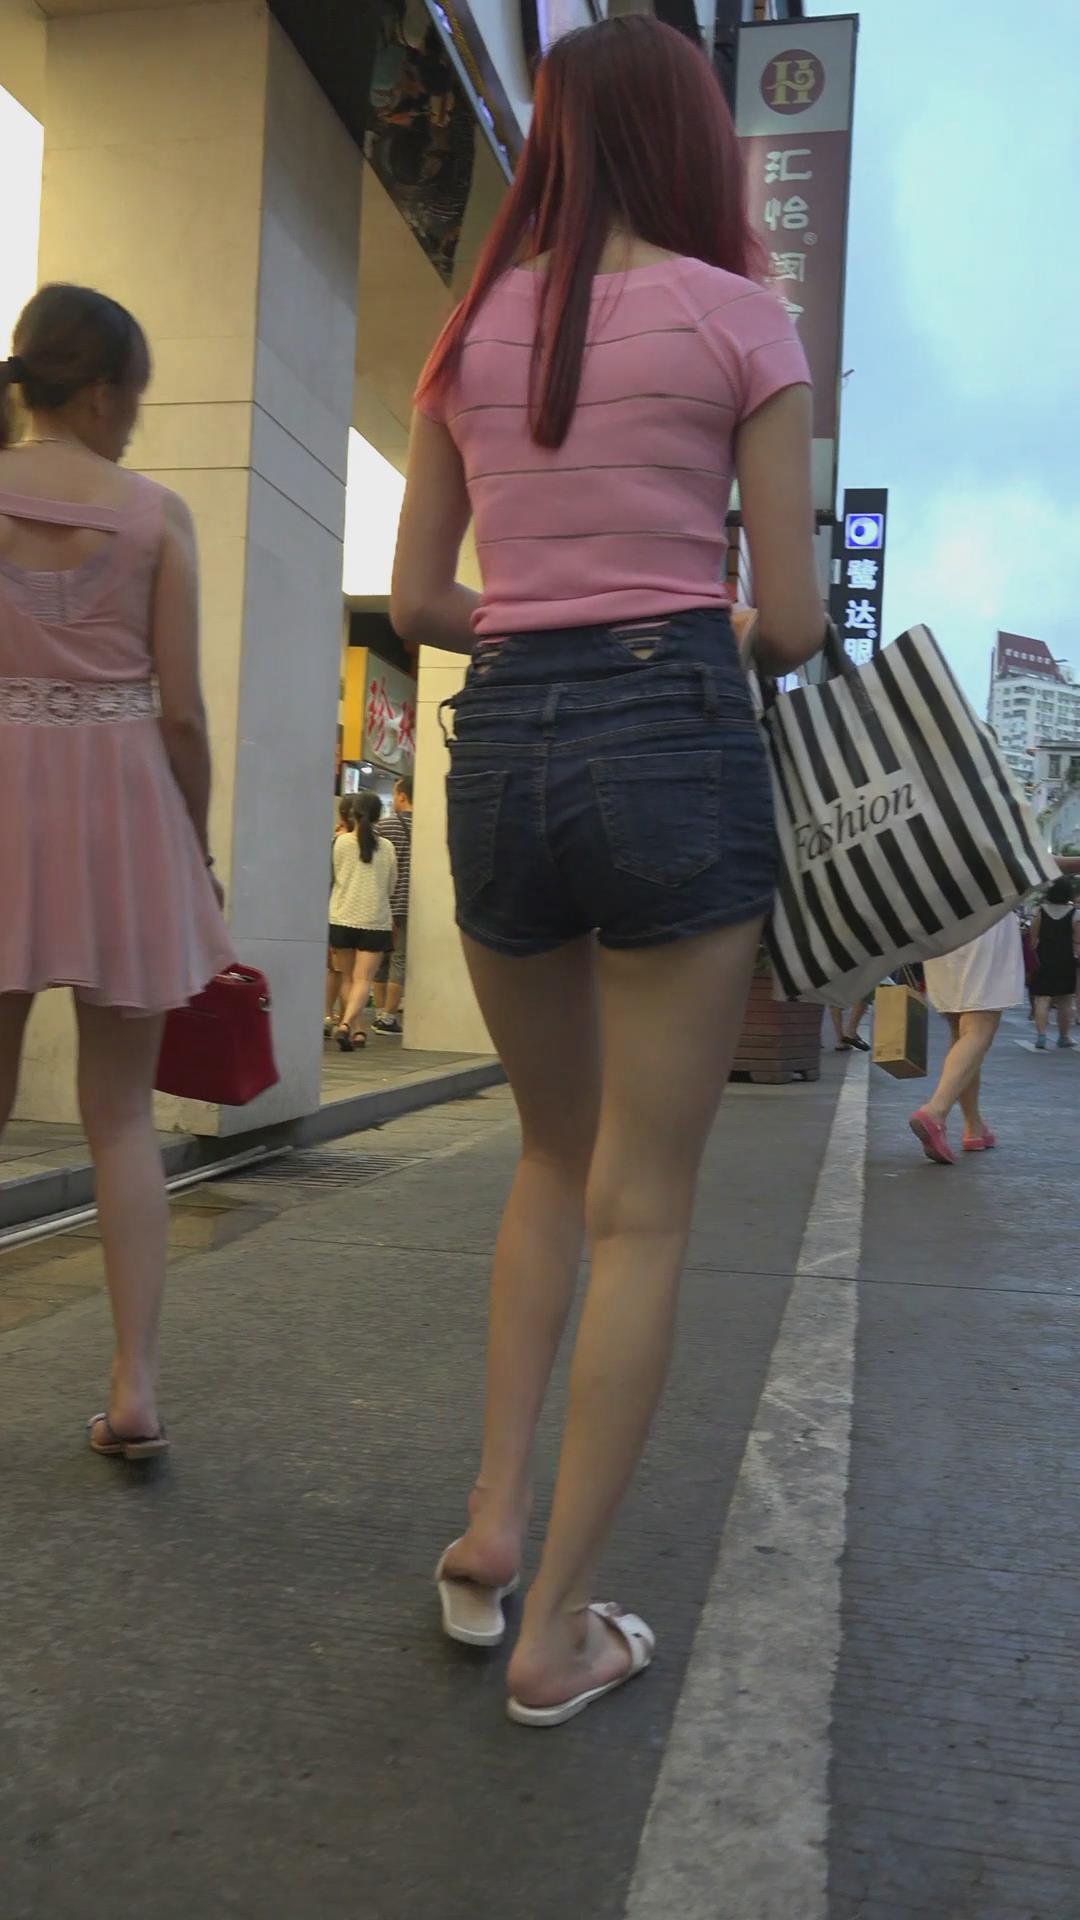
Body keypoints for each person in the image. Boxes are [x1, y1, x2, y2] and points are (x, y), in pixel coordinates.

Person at [391, 16, 825, 1726]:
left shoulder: (470, 333)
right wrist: (690, 621)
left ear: (557, 144)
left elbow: (421, 599)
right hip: (671, 736)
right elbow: (794, 621)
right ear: (690, 142)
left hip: (503, 740)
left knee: (549, 1153)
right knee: (645, 1203)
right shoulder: (741, 317)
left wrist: (541, 620)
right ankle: (560, 1628)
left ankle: (495, 1521)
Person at [0, 284, 233, 1458]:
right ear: (101, 393)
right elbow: (181, 712)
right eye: (136, 395)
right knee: (122, 1117)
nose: (138, 417)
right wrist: (194, 847)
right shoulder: (154, 517)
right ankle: (135, 1385)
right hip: (123, 815)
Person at [909, 913, 1026, 1164]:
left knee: (961, 1034)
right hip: (986, 921)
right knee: (979, 1028)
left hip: (941, 926)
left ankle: (973, 1126)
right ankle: (935, 1111)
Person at [328, 788, 397, 1051]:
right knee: (363, 980)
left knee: (347, 978)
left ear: (353, 814)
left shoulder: (340, 842)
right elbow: (391, 886)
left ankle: (355, 1029)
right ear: (378, 816)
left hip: (342, 917)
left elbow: (335, 876)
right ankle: (348, 1025)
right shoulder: (387, 848)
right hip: (374, 920)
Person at [372, 774, 413, 1036]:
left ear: (402, 796)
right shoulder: (426, 827)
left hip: (383, 900)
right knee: (400, 958)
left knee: (380, 958)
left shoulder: (384, 826)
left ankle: (379, 1013)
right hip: (410, 902)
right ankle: (388, 1017)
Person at [1030, 877, 1078, 1050]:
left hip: (1043, 959)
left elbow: (1032, 940)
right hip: (1066, 960)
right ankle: (1063, 1037)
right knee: (1065, 1000)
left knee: (1042, 998)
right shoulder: (1076, 914)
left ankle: (1041, 1036)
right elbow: (1077, 941)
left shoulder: (1039, 911)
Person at [325, 795, 357, 1035]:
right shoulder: (374, 842)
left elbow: (328, 878)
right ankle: (348, 1021)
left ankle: (328, 1014)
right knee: (353, 975)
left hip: (336, 911)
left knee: (337, 969)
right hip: (364, 916)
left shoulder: (337, 842)